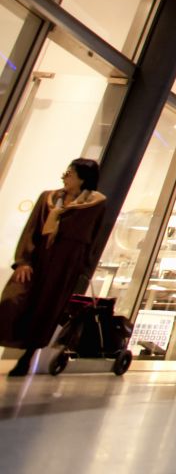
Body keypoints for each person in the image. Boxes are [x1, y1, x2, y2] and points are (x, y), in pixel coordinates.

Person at [1, 158, 109, 376]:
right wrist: (23, 260)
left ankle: (27, 357)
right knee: (12, 301)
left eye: (70, 173)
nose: (65, 177)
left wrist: (85, 270)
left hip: (65, 266)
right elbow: (31, 229)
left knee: (46, 309)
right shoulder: (49, 198)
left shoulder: (94, 205)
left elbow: (96, 239)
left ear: (82, 179)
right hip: (37, 260)